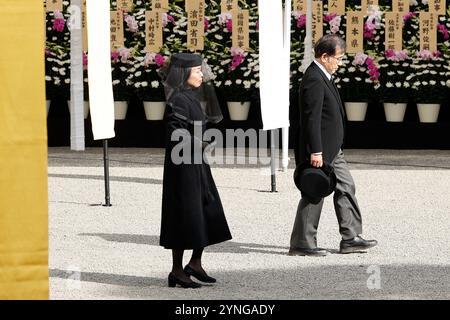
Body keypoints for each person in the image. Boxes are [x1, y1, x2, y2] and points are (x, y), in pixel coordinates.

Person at [289, 34, 378, 256]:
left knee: (346, 186)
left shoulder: (323, 75)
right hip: (319, 149)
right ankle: (302, 243)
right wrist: (316, 151)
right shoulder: (313, 78)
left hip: (332, 147)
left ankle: (350, 237)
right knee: (314, 191)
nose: (340, 63)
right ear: (325, 56)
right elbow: (312, 119)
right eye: (338, 58)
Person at [159, 53, 232, 288]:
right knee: (183, 214)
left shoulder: (190, 96)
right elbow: (175, 132)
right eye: (198, 71)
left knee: (206, 209)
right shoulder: (179, 100)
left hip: (196, 162)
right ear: (184, 73)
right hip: (182, 168)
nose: (203, 74)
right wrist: (198, 143)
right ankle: (177, 270)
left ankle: (195, 263)